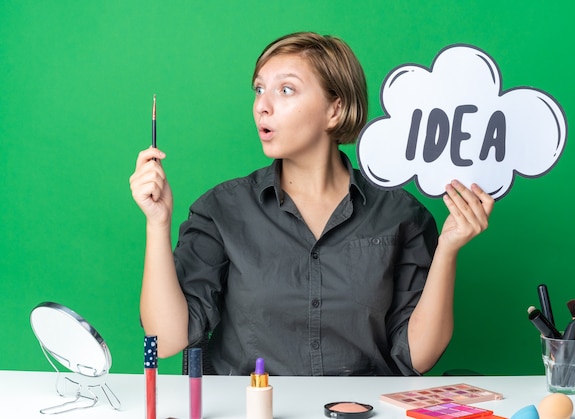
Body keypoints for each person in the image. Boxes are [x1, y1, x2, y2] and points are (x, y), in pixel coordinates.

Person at [129, 31, 494, 376]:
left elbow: (417, 356)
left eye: (286, 90)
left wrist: (447, 250)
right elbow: (165, 341)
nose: (262, 107)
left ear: (334, 110)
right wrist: (157, 223)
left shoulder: (400, 215)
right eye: (259, 90)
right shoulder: (222, 210)